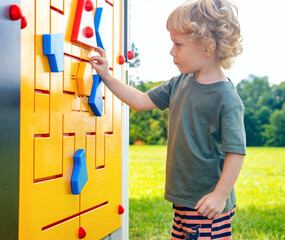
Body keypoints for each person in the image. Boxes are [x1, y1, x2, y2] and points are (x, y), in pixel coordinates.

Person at [90, 0, 246, 239]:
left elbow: (236, 151)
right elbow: (141, 101)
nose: (172, 51)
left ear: (208, 46)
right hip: (183, 199)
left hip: (207, 204)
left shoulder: (226, 98)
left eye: (178, 44)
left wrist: (220, 195)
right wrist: (107, 76)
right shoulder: (178, 83)